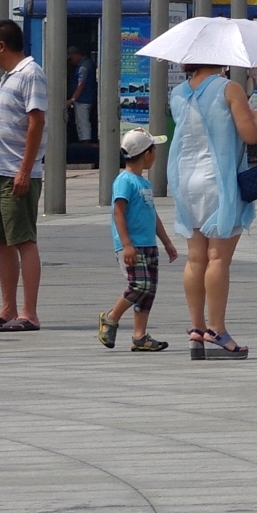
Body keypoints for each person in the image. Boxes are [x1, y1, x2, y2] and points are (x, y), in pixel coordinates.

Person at [170, 60, 257, 358]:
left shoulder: (179, 92)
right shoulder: (229, 89)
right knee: (218, 257)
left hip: (185, 180)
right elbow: (250, 135)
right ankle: (217, 330)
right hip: (217, 181)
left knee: (196, 257)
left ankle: (196, 329)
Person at [0, 19, 48, 331]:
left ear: (2, 45)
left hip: (14, 172)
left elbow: (36, 122)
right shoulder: (8, 77)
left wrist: (24, 170)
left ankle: (29, 313)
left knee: (23, 240)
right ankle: (7, 308)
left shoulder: (31, 73)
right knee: (2, 242)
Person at [97, 127, 177, 351]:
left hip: (148, 244)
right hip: (131, 246)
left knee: (148, 291)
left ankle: (140, 336)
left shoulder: (145, 183)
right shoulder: (124, 181)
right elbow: (118, 212)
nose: (156, 155)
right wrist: (126, 245)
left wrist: (166, 242)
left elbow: (152, 215)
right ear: (146, 154)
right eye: (154, 150)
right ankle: (111, 318)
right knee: (139, 285)